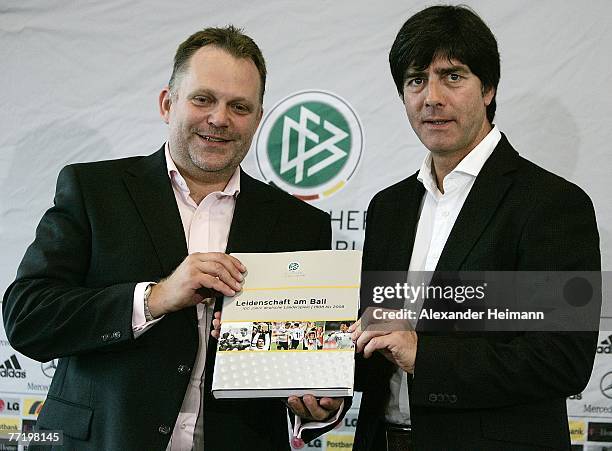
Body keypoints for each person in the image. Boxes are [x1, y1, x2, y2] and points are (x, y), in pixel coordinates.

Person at [3, 25, 344, 451]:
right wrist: (155, 298)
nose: (220, 119)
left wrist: (319, 404)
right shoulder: (93, 191)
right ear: (168, 103)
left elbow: (310, 363)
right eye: (203, 99)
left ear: (258, 119)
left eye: (240, 106)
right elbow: (28, 317)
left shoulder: (301, 224)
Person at [350, 6, 600, 451]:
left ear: (488, 88)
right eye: (415, 80)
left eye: (452, 76)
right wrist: (320, 380)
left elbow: (563, 359)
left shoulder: (552, 204)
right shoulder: (389, 207)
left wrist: (423, 356)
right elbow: (376, 339)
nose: (431, 97)